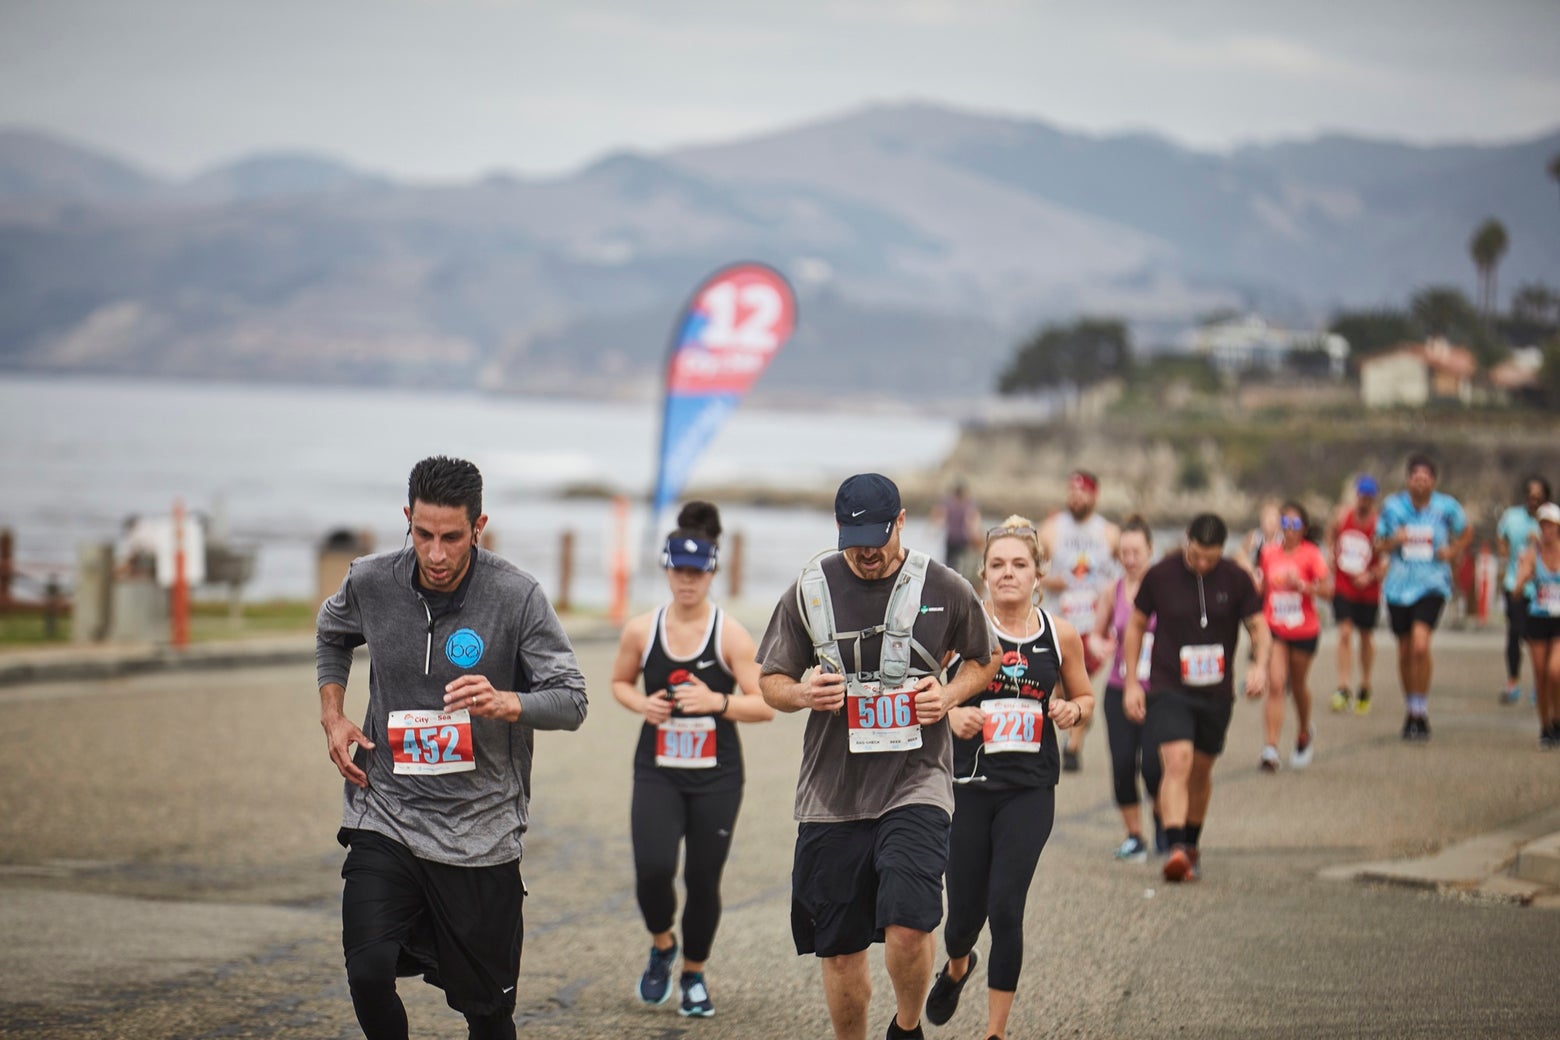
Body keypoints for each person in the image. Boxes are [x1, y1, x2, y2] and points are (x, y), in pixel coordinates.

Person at [316, 456, 589, 1040]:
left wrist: (507, 702)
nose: (435, 554)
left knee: (487, 1014)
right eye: (423, 535)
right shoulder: (370, 580)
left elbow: (571, 700)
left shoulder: (516, 597)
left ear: (479, 527)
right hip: (385, 810)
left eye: (452, 538)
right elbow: (333, 633)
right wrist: (333, 714)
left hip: (479, 832)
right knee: (367, 971)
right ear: (407, 519)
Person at [757, 472, 998, 1040]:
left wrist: (948, 694)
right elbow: (770, 680)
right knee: (838, 951)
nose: (865, 550)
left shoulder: (944, 587)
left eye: (877, 535)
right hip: (830, 796)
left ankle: (906, 1028)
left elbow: (985, 659)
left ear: (903, 522)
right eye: (854, 537)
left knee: (909, 925)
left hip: (916, 784)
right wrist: (802, 693)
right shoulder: (810, 588)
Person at [922, 516, 1093, 1040]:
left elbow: (1084, 697)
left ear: (1038, 574)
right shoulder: (963, 631)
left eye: (1020, 564)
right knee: (962, 920)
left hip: (1029, 790)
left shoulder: (1060, 635)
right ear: (984, 573)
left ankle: (996, 1033)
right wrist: (952, 715)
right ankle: (957, 964)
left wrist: (1072, 713)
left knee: (1006, 907)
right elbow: (926, 689)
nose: (1008, 573)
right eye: (998, 565)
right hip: (969, 789)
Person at [609, 501, 774, 1017]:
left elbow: (766, 704)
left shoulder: (730, 635)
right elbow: (618, 682)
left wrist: (717, 702)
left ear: (712, 572)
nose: (686, 581)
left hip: (716, 777)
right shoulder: (641, 630)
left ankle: (695, 975)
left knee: (703, 880)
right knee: (653, 870)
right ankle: (663, 946)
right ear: (665, 569)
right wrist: (642, 704)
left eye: (696, 572)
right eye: (678, 571)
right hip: (657, 769)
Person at [1122, 513, 1268, 883]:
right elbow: (1136, 626)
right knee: (1178, 762)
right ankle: (1173, 847)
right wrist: (1132, 683)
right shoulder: (1161, 575)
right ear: (1187, 540)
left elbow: (1258, 628)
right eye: (1196, 554)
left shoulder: (1236, 579)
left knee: (1201, 770)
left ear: (1223, 550)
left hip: (1216, 693)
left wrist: (1259, 665)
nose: (1201, 563)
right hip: (1169, 686)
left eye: (1210, 557)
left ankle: (1190, 844)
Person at [1374, 454, 1472, 742]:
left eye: (1425, 477)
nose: (1420, 482)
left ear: (1433, 481)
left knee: (1420, 644)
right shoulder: (1393, 507)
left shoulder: (1446, 507)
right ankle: (1411, 710)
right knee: (1404, 651)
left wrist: (1453, 551)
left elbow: (1466, 531)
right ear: (1408, 480)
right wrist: (1395, 541)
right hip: (1398, 587)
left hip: (1432, 584)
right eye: (1415, 477)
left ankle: (1422, 706)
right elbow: (1378, 544)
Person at [1090, 516, 1163, 859]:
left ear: (1151, 550)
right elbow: (1096, 633)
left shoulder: (1165, 590)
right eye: (1124, 553)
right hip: (1120, 689)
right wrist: (1099, 646)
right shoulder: (1113, 591)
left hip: (1158, 691)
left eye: (1136, 552)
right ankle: (1135, 835)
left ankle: (1166, 823)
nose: (1130, 559)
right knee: (1122, 766)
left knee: (1154, 767)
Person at [1038, 469, 1119, 772]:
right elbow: (1030, 563)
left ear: (1094, 495)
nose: (1076, 496)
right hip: (1060, 621)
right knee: (1061, 686)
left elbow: (1129, 572)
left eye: (1082, 491)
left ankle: (1073, 747)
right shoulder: (1052, 528)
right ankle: (1080, 724)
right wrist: (1049, 580)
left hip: (1093, 625)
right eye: (1071, 491)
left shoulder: (1108, 533)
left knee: (1075, 680)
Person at [1255, 501, 1332, 772]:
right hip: (1274, 628)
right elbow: (1262, 587)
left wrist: (1304, 586)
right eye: (1285, 524)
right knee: (1276, 684)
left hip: (1304, 629)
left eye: (1295, 525)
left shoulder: (1311, 555)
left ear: (1304, 528)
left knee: (1298, 686)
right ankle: (1271, 748)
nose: (1289, 530)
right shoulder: (1268, 552)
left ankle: (1303, 731)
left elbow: (1328, 591)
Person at [1328, 475, 1385, 715]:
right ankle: (1343, 685)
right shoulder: (1343, 516)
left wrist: (1370, 576)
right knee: (1344, 632)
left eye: (1369, 497)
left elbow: (1386, 560)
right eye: (1361, 495)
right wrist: (1331, 556)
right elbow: (1330, 536)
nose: (1364, 500)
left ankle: (1365, 683)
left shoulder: (1379, 524)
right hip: (1344, 584)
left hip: (1368, 589)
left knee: (1365, 636)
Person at [1496, 477, 1550, 705]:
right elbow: (1501, 538)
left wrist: (1541, 542)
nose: (1534, 499)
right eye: (1530, 495)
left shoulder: (1550, 520)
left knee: (1539, 638)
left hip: (1544, 589)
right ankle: (1513, 681)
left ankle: (1541, 684)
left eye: (1539, 496)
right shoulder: (1512, 517)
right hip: (1515, 585)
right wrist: (1506, 556)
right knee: (1515, 632)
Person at [1512, 502, 1560, 748]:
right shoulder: (1532, 553)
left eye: (1551, 524)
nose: (1547, 530)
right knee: (1541, 676)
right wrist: (1521, 580)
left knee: (1555, 671)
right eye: (1543, 524)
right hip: (1538, 618)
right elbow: (1517, 592)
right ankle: (1546, 727)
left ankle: (1557, 716)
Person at [932, 482, 982, 586]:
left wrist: (933, 532)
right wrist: (977, 538)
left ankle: (948, 586)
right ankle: (958, 587)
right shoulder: (968, 505)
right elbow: (971, 524)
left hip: (950, 540)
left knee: (949, 567)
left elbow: (940, 519)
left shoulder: (948, 504)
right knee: (961, 568)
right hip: (962, 541)